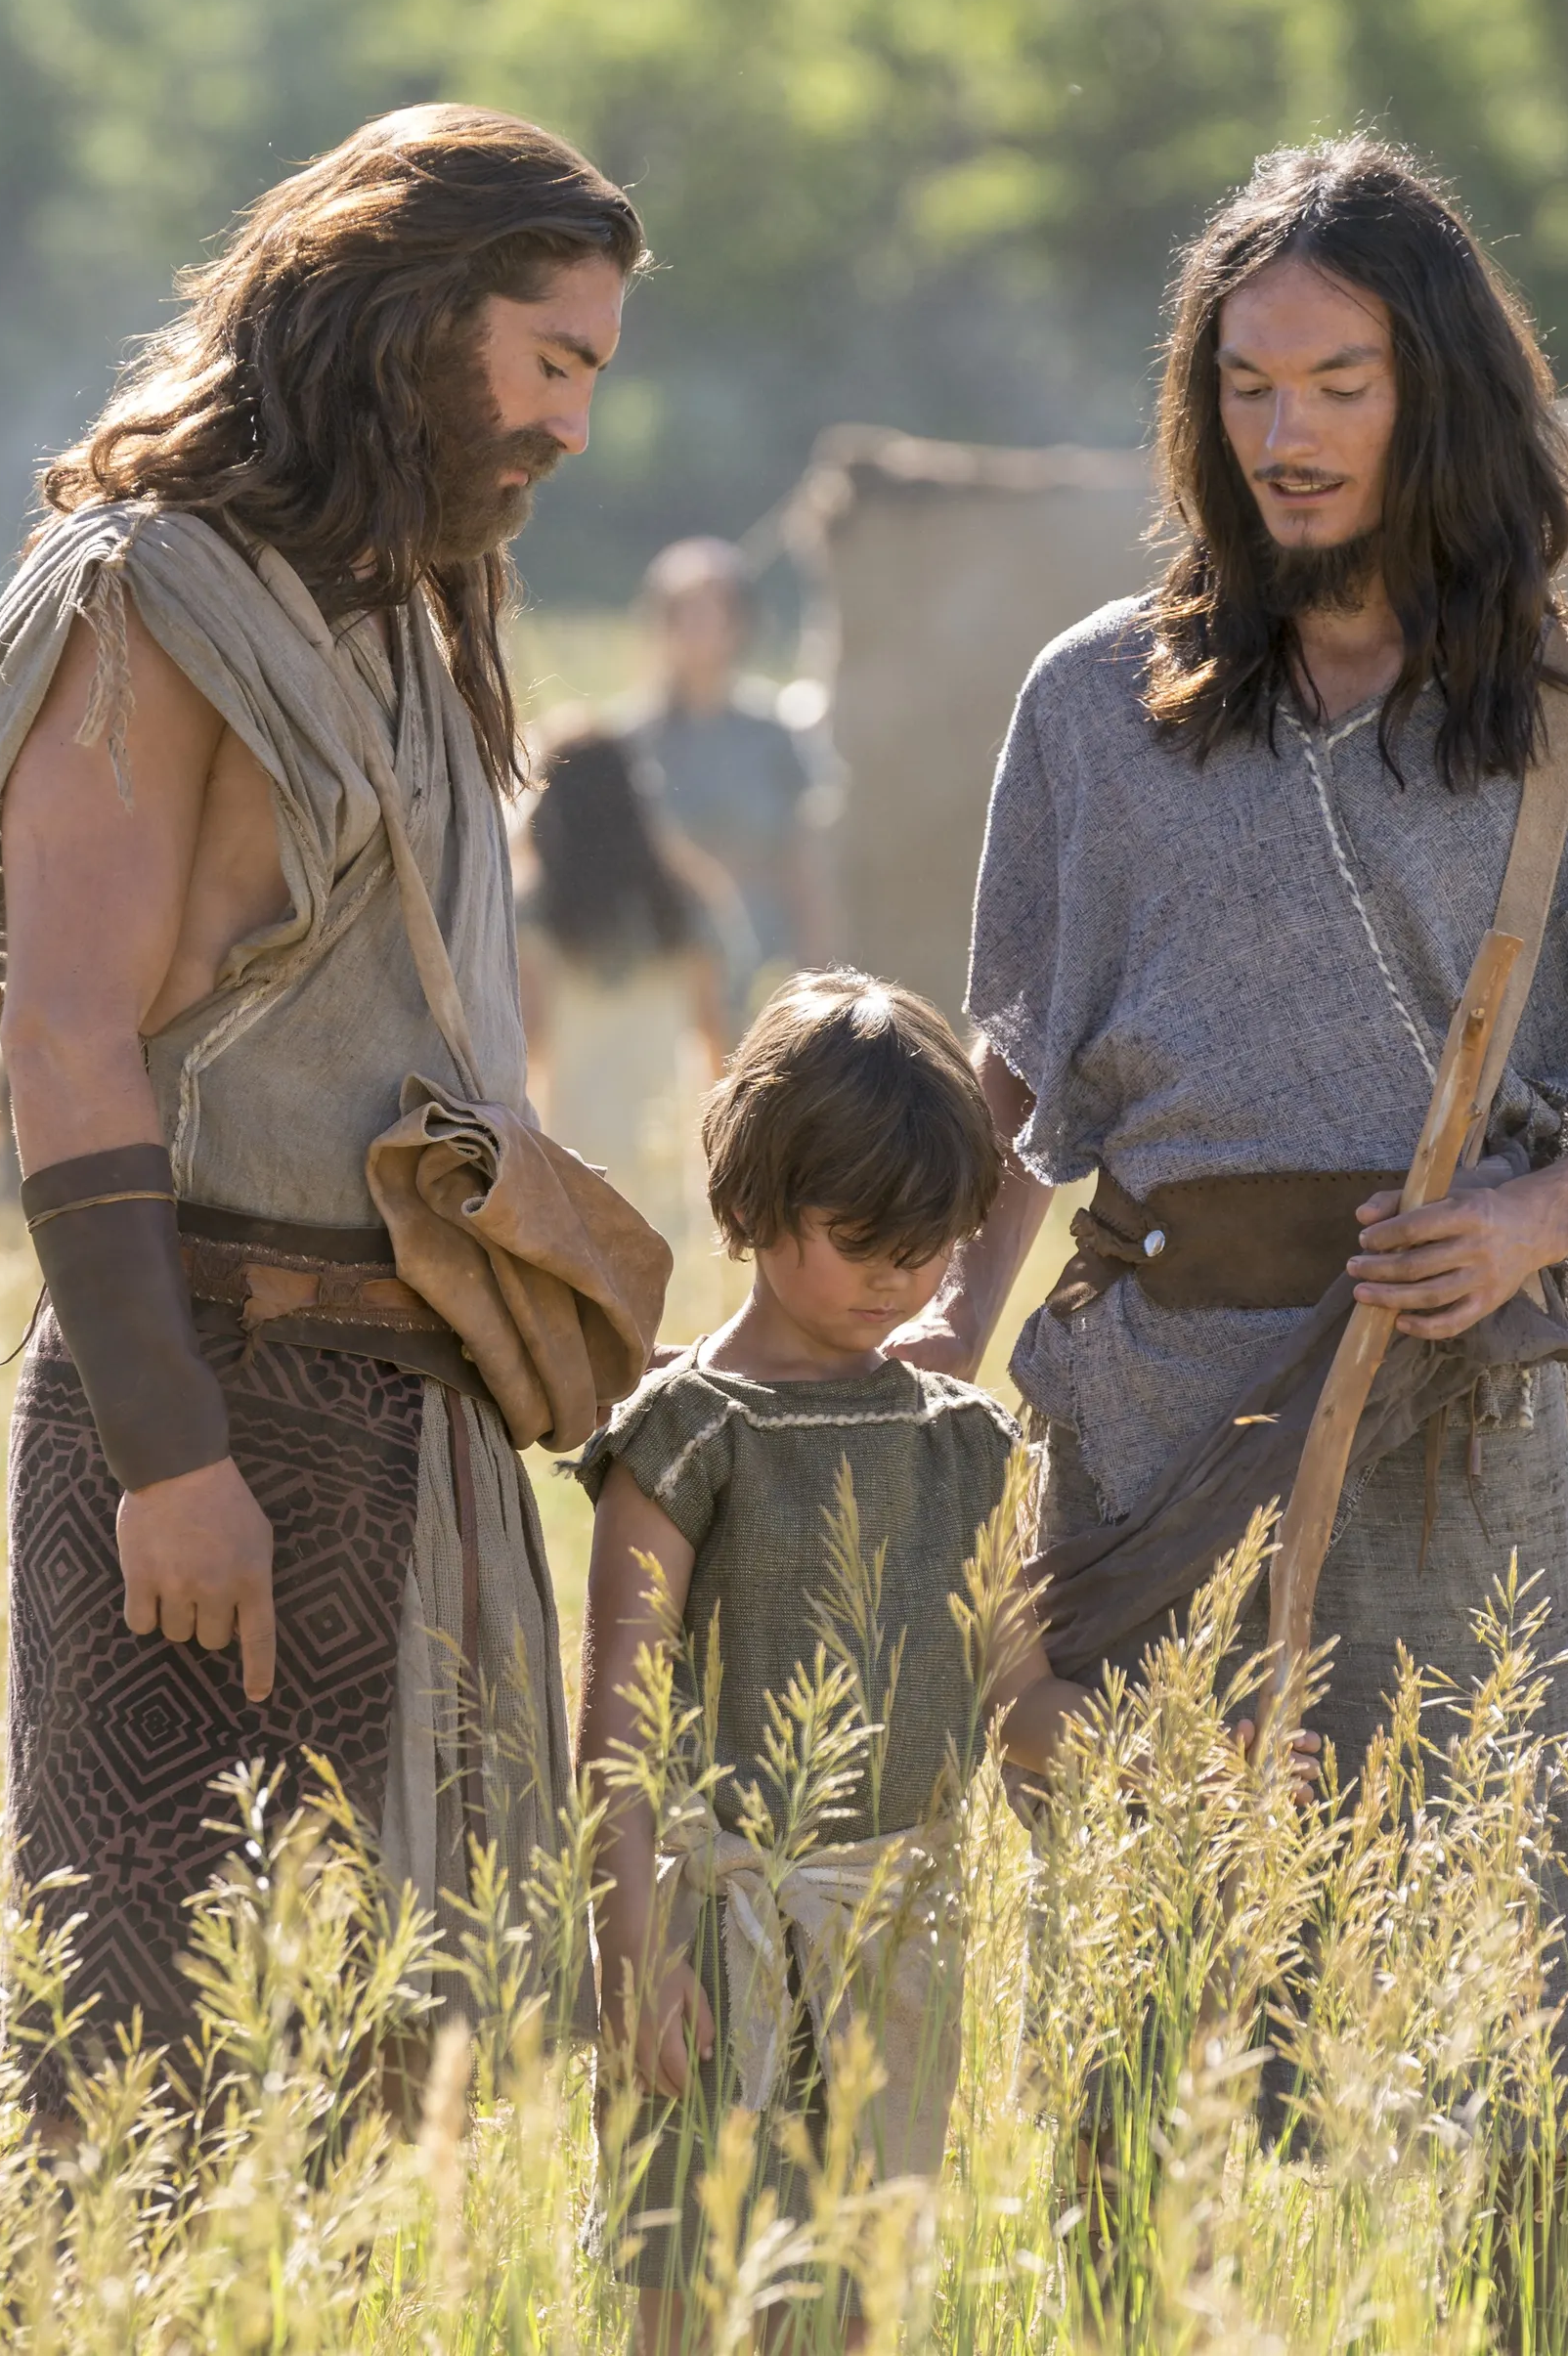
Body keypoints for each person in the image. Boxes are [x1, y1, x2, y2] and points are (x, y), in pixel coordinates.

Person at [911, 140, 1568, 2292]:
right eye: (1247, 386)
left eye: (1339, 383)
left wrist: (1524, 1226)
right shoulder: (1093, 701)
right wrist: (938, 1337)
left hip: (1442, 1415)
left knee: (1493, 1964)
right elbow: (1014, 1086)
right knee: (1145, 1988)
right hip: (1145, 1415)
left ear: (1439, 393)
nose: (1288, 433)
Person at [0, 105, 644, 2115]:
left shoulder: (410, 607)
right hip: (209, 1407)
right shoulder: (148, 595)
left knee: (380, 2100)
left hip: (411, 1430)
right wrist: (169, 1455)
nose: (575, 425)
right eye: (552, 359)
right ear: (414, 313)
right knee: (144, 2089)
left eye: (595, 372)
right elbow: (67, 1038)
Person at [576, 970, 1015, 2353]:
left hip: (896, 1942)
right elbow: (615, 1718)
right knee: (697, 2286)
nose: (898, 1277)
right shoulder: (687, 1434)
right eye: (862, 1238)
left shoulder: (963, 1444)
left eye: (929, 1246)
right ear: (759, 1200)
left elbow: (1020, 1680)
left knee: (858, 2298)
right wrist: (631, 1950)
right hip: (715, 1940)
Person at [517, 726, 731, 1253]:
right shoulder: (682, 905)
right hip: (668, 1150)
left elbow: (526, 1046)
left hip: (573, 1156)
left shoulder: (535, 915)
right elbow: (716, 1040)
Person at [629, 537, 836, 1000]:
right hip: (664, 972)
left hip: (764, 967)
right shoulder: (630, 742)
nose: (694, 627)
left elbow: (802, 862)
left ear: (738, 622)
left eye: (709, 611)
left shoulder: (774, 736)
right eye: (682, 612)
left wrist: (816, 979)